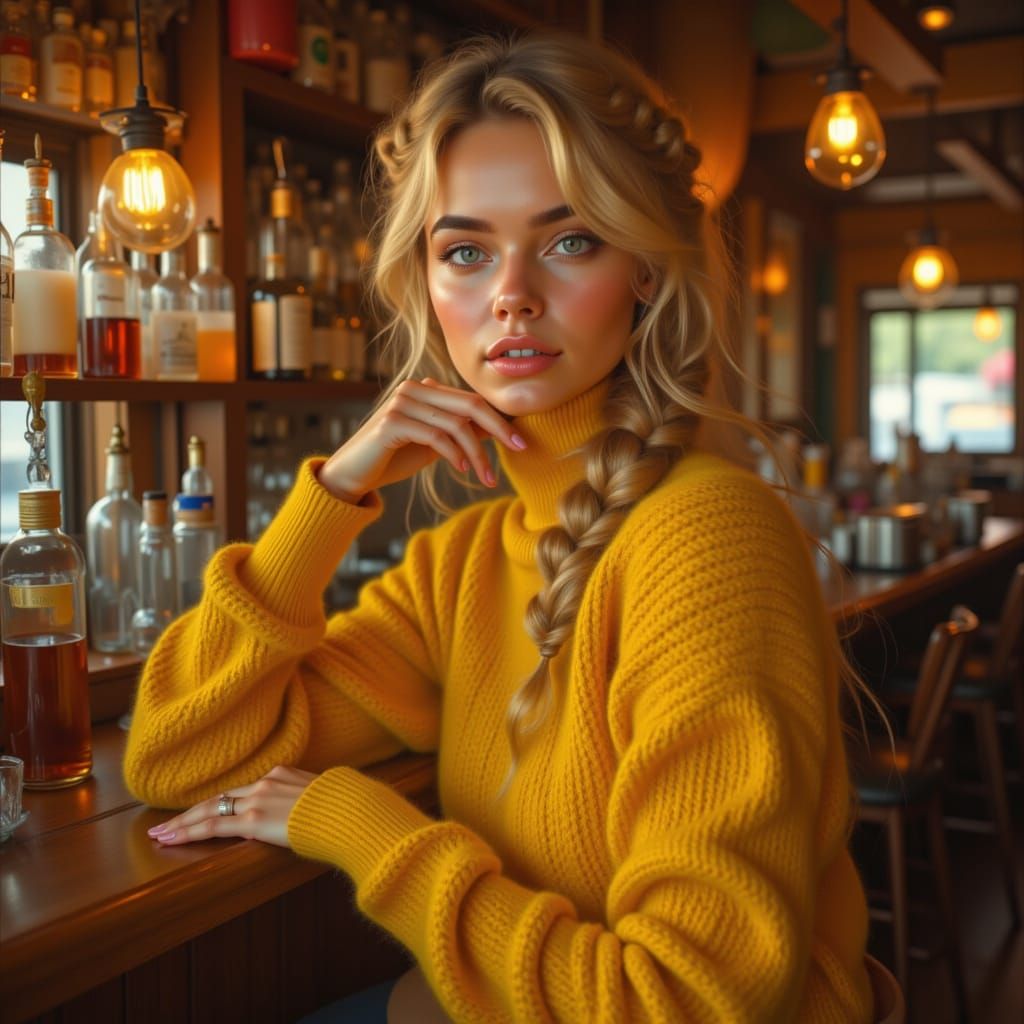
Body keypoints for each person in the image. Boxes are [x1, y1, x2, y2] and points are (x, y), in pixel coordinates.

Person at [125, 30, 874, 1023]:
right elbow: (179, 755)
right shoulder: (465, 565)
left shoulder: (708, 539)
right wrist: (334, 490)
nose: (511, 296)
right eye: (467, 252)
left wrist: (368, 830)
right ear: (429, 286)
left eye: (570, 241)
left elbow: (697, 1000)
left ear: (646, 271)